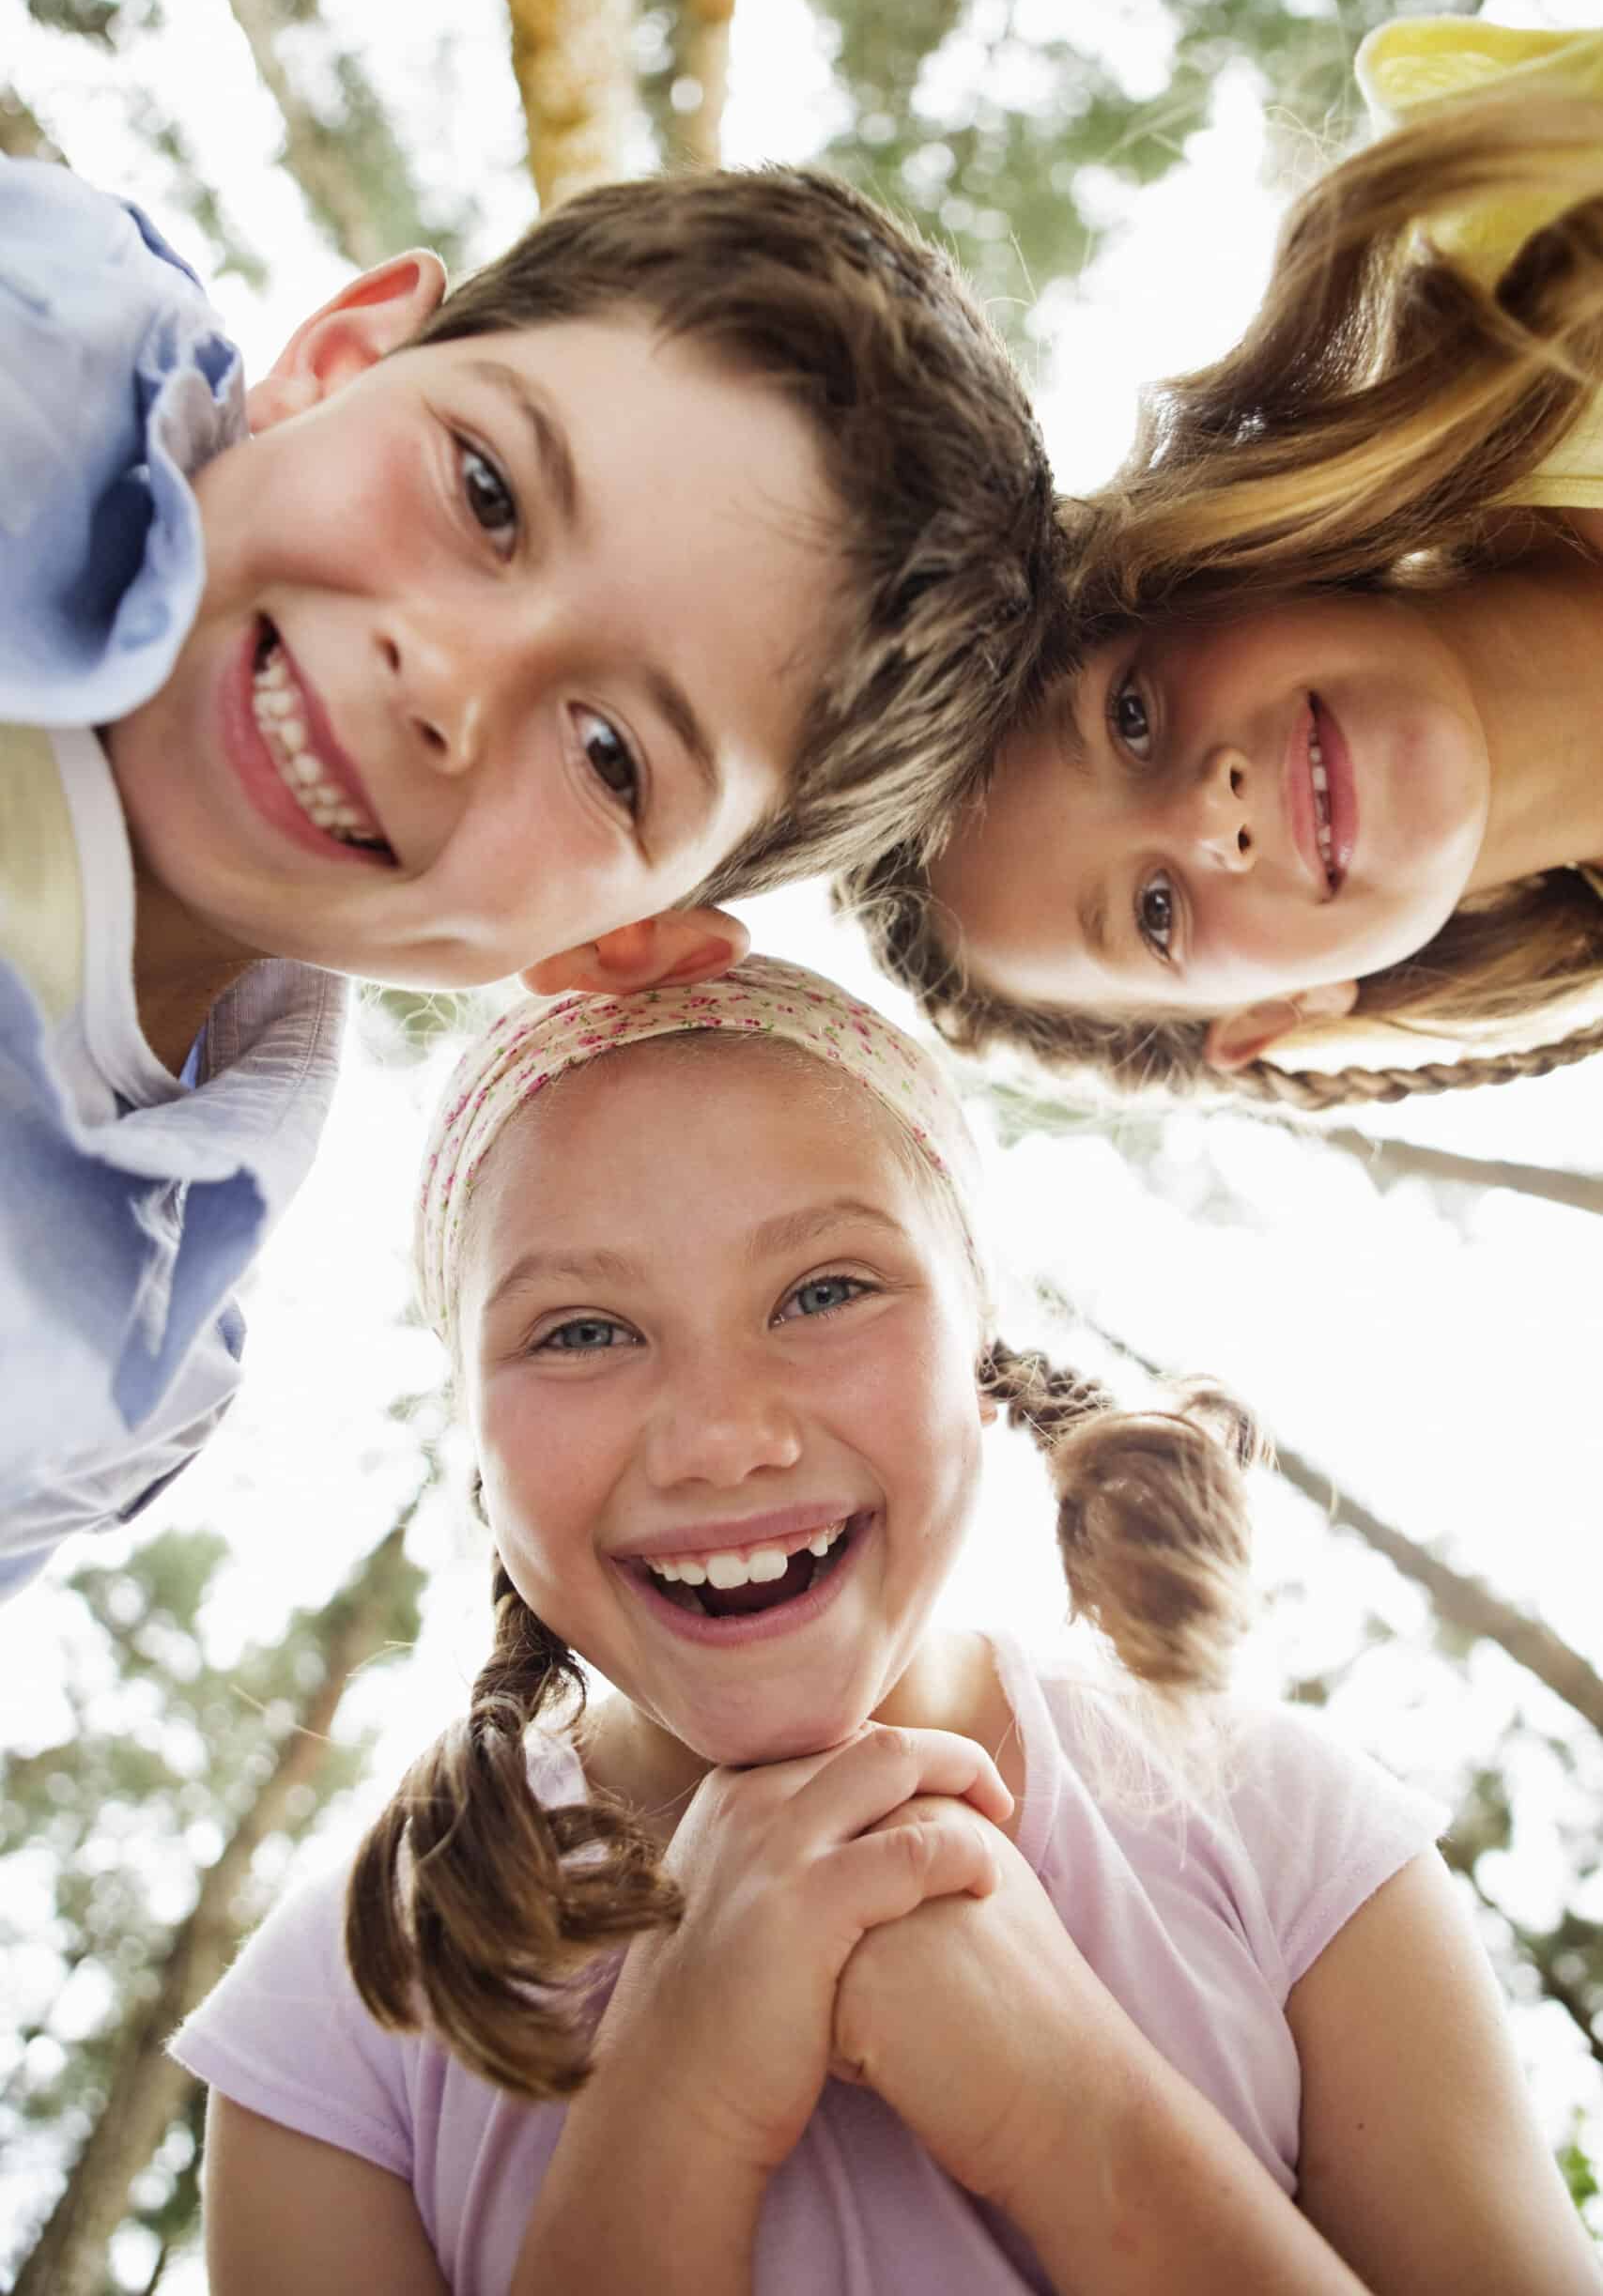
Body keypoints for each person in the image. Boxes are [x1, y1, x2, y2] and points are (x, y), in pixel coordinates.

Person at [172, 957, 1595, 2295]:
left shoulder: (1284, 1837)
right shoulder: (351, 2005)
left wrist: (1069, 2114)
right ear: (474, 1445)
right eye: (582, 1331)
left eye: (824, 1291)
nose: (720, 1440)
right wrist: (673, 2098)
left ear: (979, 1356)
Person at [0, 155, 1067, 1595]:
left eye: (613, 757)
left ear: (623, 940)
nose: (445, 680)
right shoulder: (36, 319)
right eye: (485, 491)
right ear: (338, 358)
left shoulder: (101, 1380)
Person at [843, 19, 1603, 1116]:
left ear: (1193, 580)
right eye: (1157, 912)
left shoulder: (1531, 237)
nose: (1212, 814)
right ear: (1282, 1012)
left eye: (1132, 719)